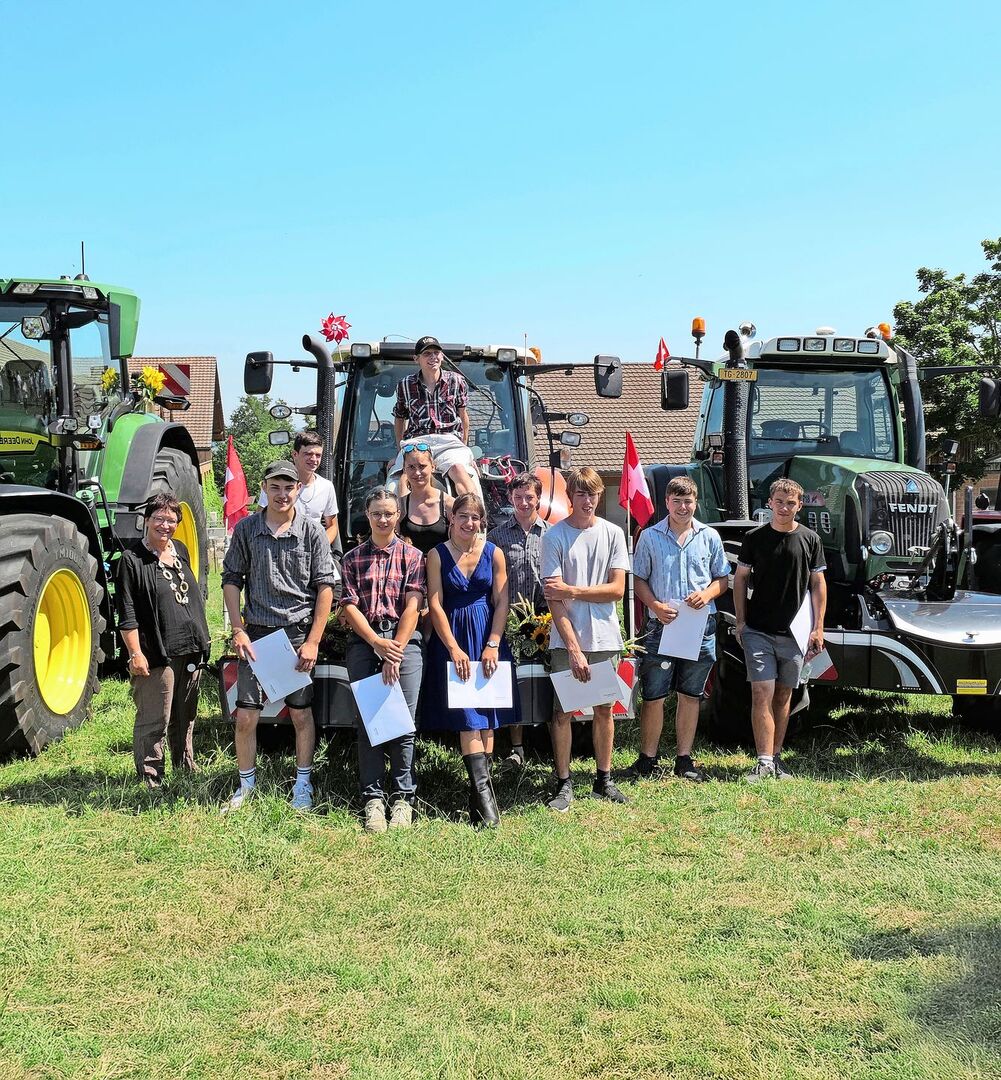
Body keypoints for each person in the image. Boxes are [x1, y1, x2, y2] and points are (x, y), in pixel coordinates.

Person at [222, 460, 337, 811]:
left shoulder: (312, 532)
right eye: (275, 487)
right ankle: (246, 785)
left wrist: (313, 641)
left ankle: (303, 783)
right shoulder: (247, 529)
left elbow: (325, 587)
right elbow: (231, 579)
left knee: (301, 715)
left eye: (288, 487)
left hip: (297, 636)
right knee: (246, 716)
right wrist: (238, 629)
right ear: (264, 488)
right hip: (256, 636)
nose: (282, 494)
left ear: (298, 489)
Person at [423, 493, 518, 827]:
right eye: (463, 516)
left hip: (487, 637)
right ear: (452, 518)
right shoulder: (436, 555)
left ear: (482, 521)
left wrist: (493, 643)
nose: (469, 523)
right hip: (453, 638)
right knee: (469, 718)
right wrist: (453, 648)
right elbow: (435, 604)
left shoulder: (494, 553)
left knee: (487, 717)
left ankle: (480, 799)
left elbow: (502, 600)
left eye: (475, 517)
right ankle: (487, 805)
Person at [629, 477, 729, 782]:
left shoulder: (710, 537)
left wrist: (707, 594)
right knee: (654, 695)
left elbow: (722, 579)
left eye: (688, 501)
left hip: (699, 628)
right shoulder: (649, 537)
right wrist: (655, 606)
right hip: (661, 626)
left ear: (696, 502)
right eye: (676, 501)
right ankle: (647, 759)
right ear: (667, 503)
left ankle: (684, 759)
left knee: (690, 694)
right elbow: (639, 579)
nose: (682, 507)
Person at [542, 467, 630, 810]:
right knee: (563, 713)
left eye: (592, 494)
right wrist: (574, 649)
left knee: (604, 710)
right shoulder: (554, 537)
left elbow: (617, 590)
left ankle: (603, 780)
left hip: (605, 637)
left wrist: (574, 590)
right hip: (567, 641)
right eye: (581, 494)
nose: (588, 500)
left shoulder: (613, 533)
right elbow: (554, 599)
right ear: (570, 497)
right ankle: (563, 783)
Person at [339, 488, 426, 832]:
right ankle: (373, 798)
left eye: (389, 513)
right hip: (365, 642)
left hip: (404, 642)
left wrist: (396, 650)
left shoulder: (413, 556)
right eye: (377, 513)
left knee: (404, 723)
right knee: (370, 721)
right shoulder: (352, 558)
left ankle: (403, 798)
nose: (383, 519)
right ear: (367, 515)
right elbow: (349, 606)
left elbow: (413, 605)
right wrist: (377, 644)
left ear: (398, 515)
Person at [733, 478, 826, 782]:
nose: (784, 508)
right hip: (758, 630)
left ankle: (775, 758)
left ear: (799, 506)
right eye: (779, 502)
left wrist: (818, 628)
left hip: (795, 634)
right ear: (769, 503)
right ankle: (762, 762)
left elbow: (818, 584)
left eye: (791, 503)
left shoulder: (810, 540)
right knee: (762, 691)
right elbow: (740, 579)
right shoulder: (754, 538)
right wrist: (741, 621)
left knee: (784, 695)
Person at [117, 493, 211, 788]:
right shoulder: (132, 560)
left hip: (191, 647)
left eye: (171, 520)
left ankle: (185, 764)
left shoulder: (180, 549)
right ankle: (151, 775)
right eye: (159, 518)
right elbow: (127, 612)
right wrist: (135, 653)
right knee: (155, 717)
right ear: (146, 520)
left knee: (186, 714)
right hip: (157, 651)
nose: (165, 525)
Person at [486, 471, 549, 767]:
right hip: (509, 618)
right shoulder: (496, 537)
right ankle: (516, 746)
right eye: (518, 497)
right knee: (513, 681)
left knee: (546, 679)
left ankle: (551, 739)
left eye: (529, 497)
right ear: (511, 498)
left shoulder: (552, 534)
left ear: (539, 499)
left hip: (545, 619)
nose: (524, 503)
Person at [388, 336, 481, 498]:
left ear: (442, 356)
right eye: (427, 354)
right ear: (416, 359)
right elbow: (399, 418)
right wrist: (399, 452)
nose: (433, 357)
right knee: (400, 479)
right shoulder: (405, 385)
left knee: (460, 471)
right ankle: (399, 513)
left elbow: (463, 416)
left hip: (449, 442)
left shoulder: (457, 381)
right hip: (416, 443)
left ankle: (475, 512)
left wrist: (465, 450)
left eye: (436, 353)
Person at [260, 429, 339, 547]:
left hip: (313, 549)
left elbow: (332, 526)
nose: (314, 459)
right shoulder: (276, 485)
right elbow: (259, 520)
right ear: (294, 455)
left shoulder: (326, 486)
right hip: (279, 546)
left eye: (318, 455)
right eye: (308, 454)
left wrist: (319, 546)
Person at [396, 443, 454, 555]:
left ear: (433, 467)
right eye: (411, 467)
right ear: (404, 469)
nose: (417, 472)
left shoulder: (449, 505)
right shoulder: (399, 507)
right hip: (409, 565)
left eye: (422, 466)